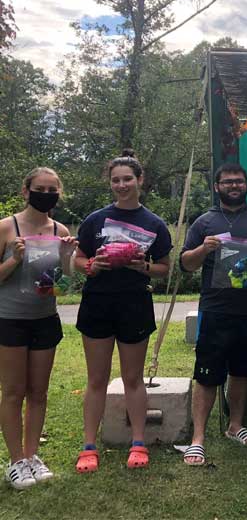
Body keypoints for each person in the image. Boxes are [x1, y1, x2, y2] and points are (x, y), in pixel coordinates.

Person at [73, 150, 172, 473]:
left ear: (139, 180)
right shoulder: (95, 220)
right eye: (115, 180)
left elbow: (163, 269)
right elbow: (78, 259)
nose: (121, 185)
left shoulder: (154, 223)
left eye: (127, 179)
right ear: (110, 182)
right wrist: (92, 265)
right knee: (96, 378)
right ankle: (89, 446)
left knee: (133, 378)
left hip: (134, 304)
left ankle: (139, 442)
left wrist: (141, 265)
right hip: (98, 304)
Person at [180, 162, 247, 466]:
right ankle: (197, 438)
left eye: (239, 181)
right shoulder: (204, 223)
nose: (234, 186)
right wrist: (203, 249)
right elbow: (185, 263)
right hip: (215, 310)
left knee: (242, 372)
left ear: (246, 185)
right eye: (227, 182)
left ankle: (234, 425)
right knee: (207, 374)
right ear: (217, 186)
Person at [0, 168, 77, 489]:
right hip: (10, 320)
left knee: (39, 393)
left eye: (52, 189)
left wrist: (67, 255)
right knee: (13, 392)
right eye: (40, 188)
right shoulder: (6, 227)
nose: (46, 194)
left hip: (45, 320)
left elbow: (64, 280)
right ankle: (16, 461)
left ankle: (33, 457)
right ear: (25, 190)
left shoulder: (59, 229)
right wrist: (13, 259)